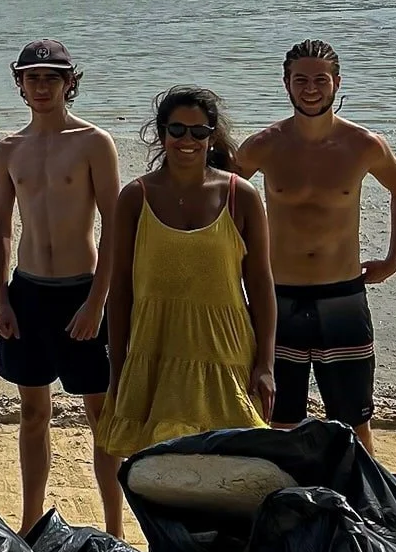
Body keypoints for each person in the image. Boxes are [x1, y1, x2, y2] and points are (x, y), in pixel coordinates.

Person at [235, 39, 396, 455]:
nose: (311, 88)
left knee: (353, 422)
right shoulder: (265, 144)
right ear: (286, 84)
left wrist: (393, 259)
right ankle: (282, 509)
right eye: (301, 80)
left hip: (343, 295)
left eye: (320, 79)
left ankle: (365, 510)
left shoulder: (363, 144)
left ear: (336, 82)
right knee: (277, 420)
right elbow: (224, 194)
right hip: (278, 297)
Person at [97, 87, 276, 462]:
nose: (187, 140)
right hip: (155, 352)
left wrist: (265, 365)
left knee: (230, 469)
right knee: (160, 475)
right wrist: (118, 370)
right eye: (177, 130)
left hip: (224, 352)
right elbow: (121, 291)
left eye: (199, 132)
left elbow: (260, 285)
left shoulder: (239, 196)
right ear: (162, 133)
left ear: (212, 137)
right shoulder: (135, 197)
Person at [0, 39, 122, 536]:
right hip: (28, 292)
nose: (41, 86)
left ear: (70, 82)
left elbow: (114, 223)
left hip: (81, 290)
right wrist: (2, 297)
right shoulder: (8, 148)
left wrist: (97, 301)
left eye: (51, 77)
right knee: (32, 411)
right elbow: (1, 226)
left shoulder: (93, 141)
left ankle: (114, 529)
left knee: (100, 414)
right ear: (20, 83)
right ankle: (30, 523)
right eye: (32, 77)